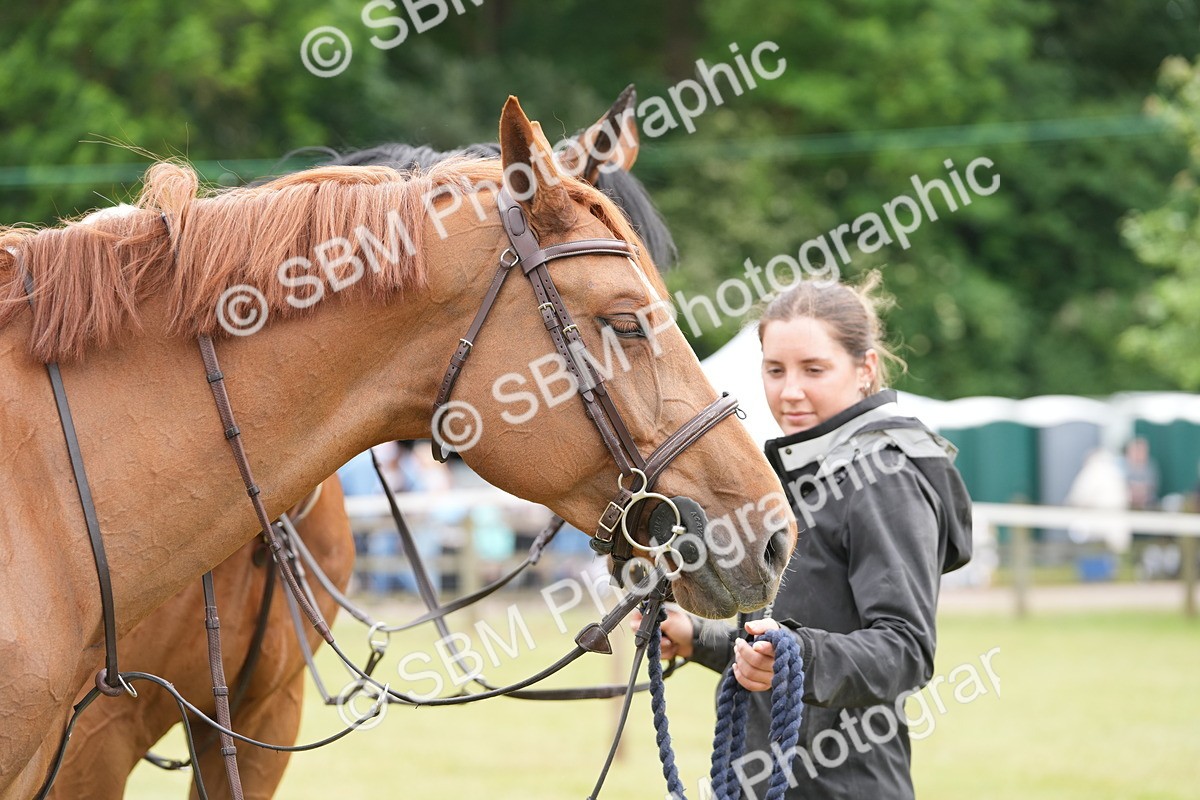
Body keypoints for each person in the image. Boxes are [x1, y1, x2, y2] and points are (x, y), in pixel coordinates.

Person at [647, 274, 973, 799]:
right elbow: (781, 641)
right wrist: (697, 638)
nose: (789, 390)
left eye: (814, 370)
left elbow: (906, 649)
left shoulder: (886, 477)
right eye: (774, 370)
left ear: (865, 369)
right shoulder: (798, 470)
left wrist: (798, 655)